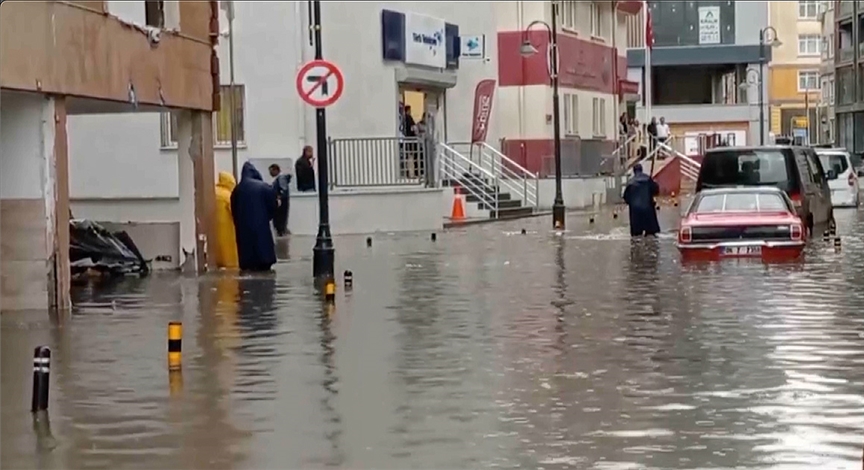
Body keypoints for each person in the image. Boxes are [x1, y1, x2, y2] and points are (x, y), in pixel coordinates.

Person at [230, 162, 277, 272]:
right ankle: (265, 263)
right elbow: (272, 206)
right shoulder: (264, 187)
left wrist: (238, 222)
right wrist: (267, 217)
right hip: (261, 225)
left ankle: (249, 265)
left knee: (247, 254)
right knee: (263, 248)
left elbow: (233, 209)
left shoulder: (237, 190)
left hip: (244, 228)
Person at [623, 163, 661, 237]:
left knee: (636, 236)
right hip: (648, 210)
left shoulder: (630, 182)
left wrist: (631, 203)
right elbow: (656, 191)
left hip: (635, 213)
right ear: (641, 170)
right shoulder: (648, 179)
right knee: (651, 235)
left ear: (634, 171)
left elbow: (626, 197)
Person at [213, 171, 239, 269]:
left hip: (214, 225)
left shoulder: (214, 192)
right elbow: (234, 211)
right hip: (227, 226)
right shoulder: (227, 195)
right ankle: (230, 266)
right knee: (228, 250)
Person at [268, 164, 291, 236]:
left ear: (276, 170)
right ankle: (281, 230)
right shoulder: (278, 179)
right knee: (280, 217)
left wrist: (279, 196)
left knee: (280, 217)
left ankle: (281, 231)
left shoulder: (281, 178)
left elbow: (283, 189)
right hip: (281, 200)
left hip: (281, 201)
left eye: (271, 171)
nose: (270, 173)